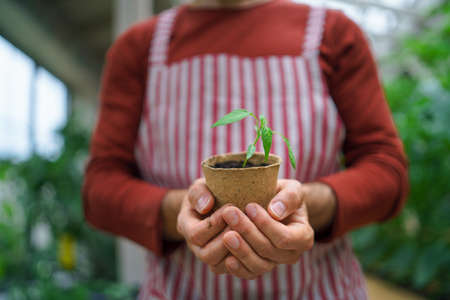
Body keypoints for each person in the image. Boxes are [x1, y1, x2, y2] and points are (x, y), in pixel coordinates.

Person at [82, 0, 409, 298]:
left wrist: (307, 204)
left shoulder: (333, 33)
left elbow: (386, 169)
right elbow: (100, 189)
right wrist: (182, 212)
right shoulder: (139, 47)